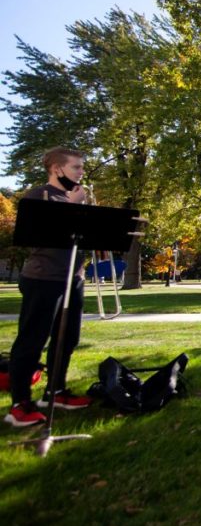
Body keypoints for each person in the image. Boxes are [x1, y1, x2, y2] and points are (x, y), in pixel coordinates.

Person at [4, 147, 93, 428]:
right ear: (57, 169)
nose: (81, 173)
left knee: (67, 338)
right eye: (76, 167)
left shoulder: (78, 198)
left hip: (72, 278)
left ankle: (55, 391)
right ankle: (20, 404)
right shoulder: (38, 196)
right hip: (43, 278)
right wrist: (72, 205)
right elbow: (39, 238)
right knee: (31, 340)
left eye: (81, 167)